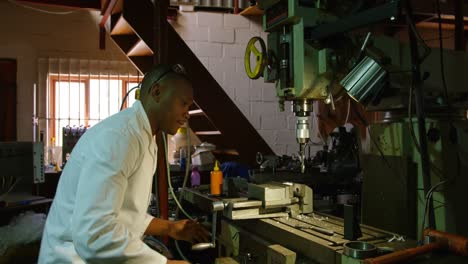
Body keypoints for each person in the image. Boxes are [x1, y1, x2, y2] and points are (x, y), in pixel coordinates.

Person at [39, 64, 209, 264]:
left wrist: (170, 228)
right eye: (184, 103)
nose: (187, 114)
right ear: (156, 92)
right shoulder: (120, 137)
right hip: (71, 257)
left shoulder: (145, 139)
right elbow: (95, 233)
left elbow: (123, 213)